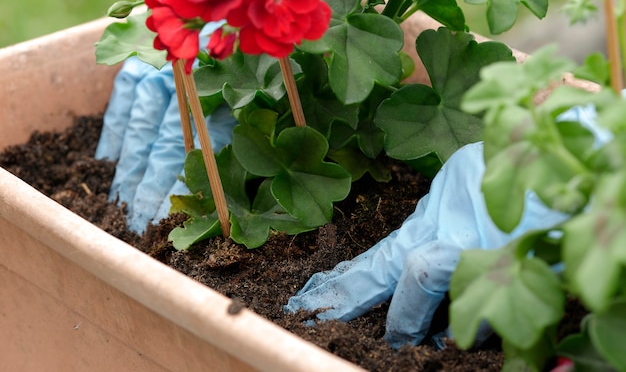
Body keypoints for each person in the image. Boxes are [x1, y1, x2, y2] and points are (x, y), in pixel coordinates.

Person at [96, 57, 611, 349]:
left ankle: (410, 351)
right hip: (475, 187)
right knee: (406, 258)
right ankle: (366, 331)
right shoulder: (505, 155)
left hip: (505, 215)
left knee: (431, 272)